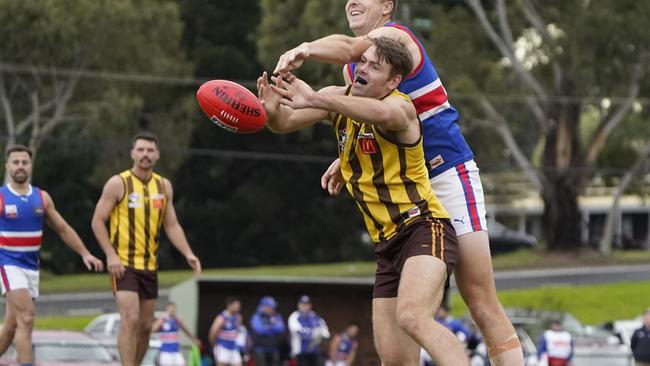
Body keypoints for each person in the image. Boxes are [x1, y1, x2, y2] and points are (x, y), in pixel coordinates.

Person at [273, 1, 524, 364]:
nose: (352, 2)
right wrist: (345, 160)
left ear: (387, 5)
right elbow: (368, 118)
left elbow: (361, 67)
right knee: (400, 341)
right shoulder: (355, 70)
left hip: (446, 172)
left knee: (478, 296)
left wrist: (304, 48)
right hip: (409, 191)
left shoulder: (396, 37)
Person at [259, 36, 466, 365]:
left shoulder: (401, 107)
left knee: (413, 316)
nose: (362, 68)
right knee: (395, 360)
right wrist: (270, 111)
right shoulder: (335, 99)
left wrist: (315, 98)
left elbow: (380, 113)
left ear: (394, 81)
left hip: (424, 229)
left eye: (374, 66)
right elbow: (284, 122)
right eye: (363, 61)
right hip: (386, 246)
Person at [91, 132, 202, 366]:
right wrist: (111, 255)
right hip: (123, 264)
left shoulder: (163, 186)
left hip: (149, 265)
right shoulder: (118, 183)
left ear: (157, 155)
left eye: (150, 150)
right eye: (140, 150)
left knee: (145, 326)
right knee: (130, 319)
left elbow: (171, 224)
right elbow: (97, 221)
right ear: (132, 153)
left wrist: (188, 253)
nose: (145, 154)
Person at [0, 145, 104, 366]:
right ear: (7, 166)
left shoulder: (42, 198)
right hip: (7, 264)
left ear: (31, 165)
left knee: (11, 326)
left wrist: (85, 254)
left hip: (31, 266)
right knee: (26, 317)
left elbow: (63, 229)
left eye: (24, 162)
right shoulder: (1, 197)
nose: (20, 166)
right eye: (15, 162)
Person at [288, 295, 330, 366]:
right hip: (300, 352)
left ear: (310, 305)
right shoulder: (294, 316)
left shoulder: (315, 316)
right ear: (298, 305)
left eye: (307, 304)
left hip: (315, 351)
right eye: (303, 304)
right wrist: (314, 332)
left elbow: (326, 333)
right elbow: (300, 333)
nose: (305, 307)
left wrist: (312, 332)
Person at [249, 296, 286, 366]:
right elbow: (260, 330)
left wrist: (268, 328)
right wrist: (273, 328)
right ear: (264, 307)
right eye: (270, 307)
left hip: (274, 349)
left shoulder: (276, 316)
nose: (272, 308)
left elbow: (281, 328)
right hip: (260, 350)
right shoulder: (257, 316)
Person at [209, 297, 243, 366]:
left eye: (239, 305)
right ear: (230, 305)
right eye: (236, 305)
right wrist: (214, 345)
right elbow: (212, 333)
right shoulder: (222, 317)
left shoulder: (238, 317)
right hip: (222, 347)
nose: (238, 307)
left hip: (233, 348)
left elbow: (238, 330)